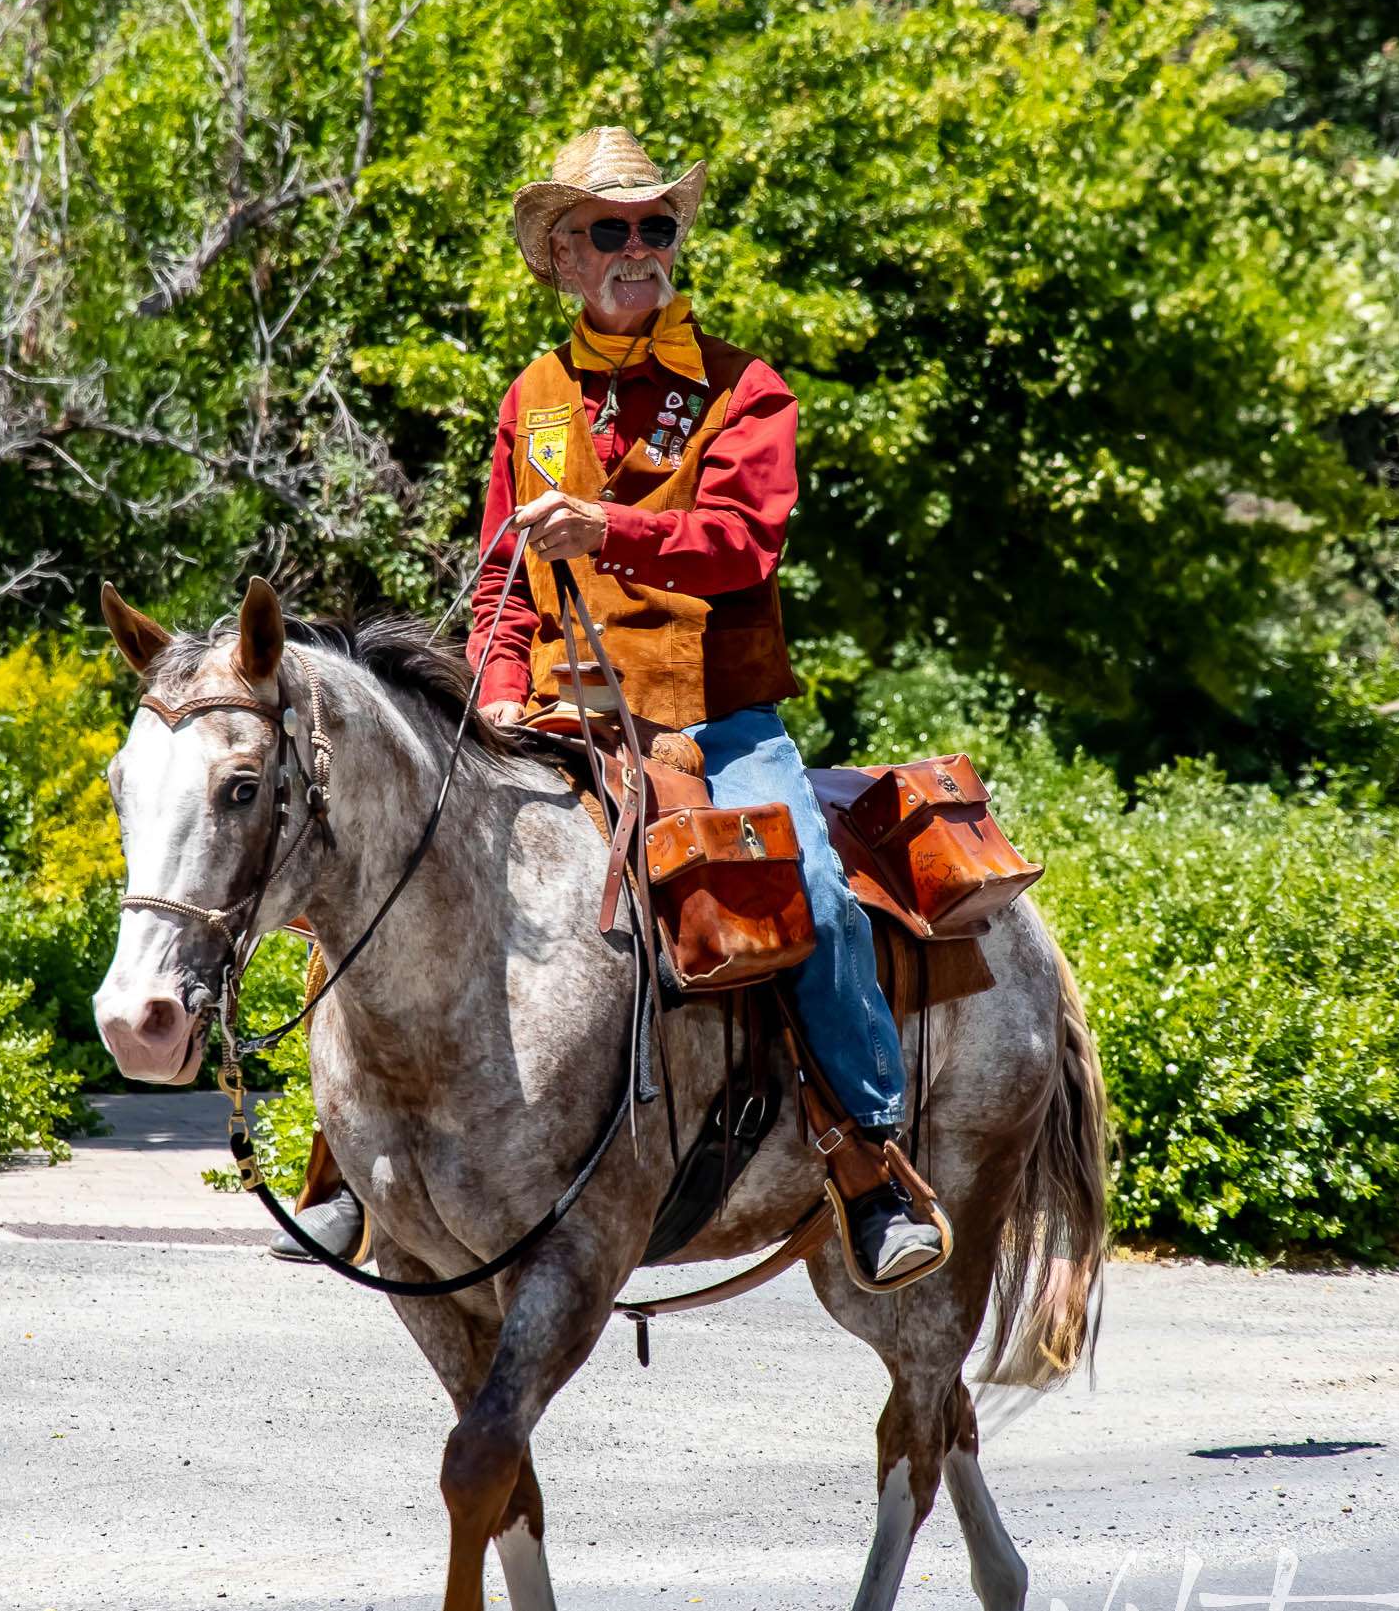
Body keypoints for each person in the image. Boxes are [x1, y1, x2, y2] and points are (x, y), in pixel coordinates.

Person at [276, 126, 940, 1287]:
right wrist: (489, 704)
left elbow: (743, 546)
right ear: (565, 257)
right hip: (544, 716)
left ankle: (870, 1163)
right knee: (384, 874)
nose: (638, 248)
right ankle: (348, 1165)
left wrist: (607, 529)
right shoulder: (528, 399)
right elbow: (495, 578)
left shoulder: (746, 389)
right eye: (609, 230)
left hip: (713, 720)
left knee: (817, 901)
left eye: (655, 226)